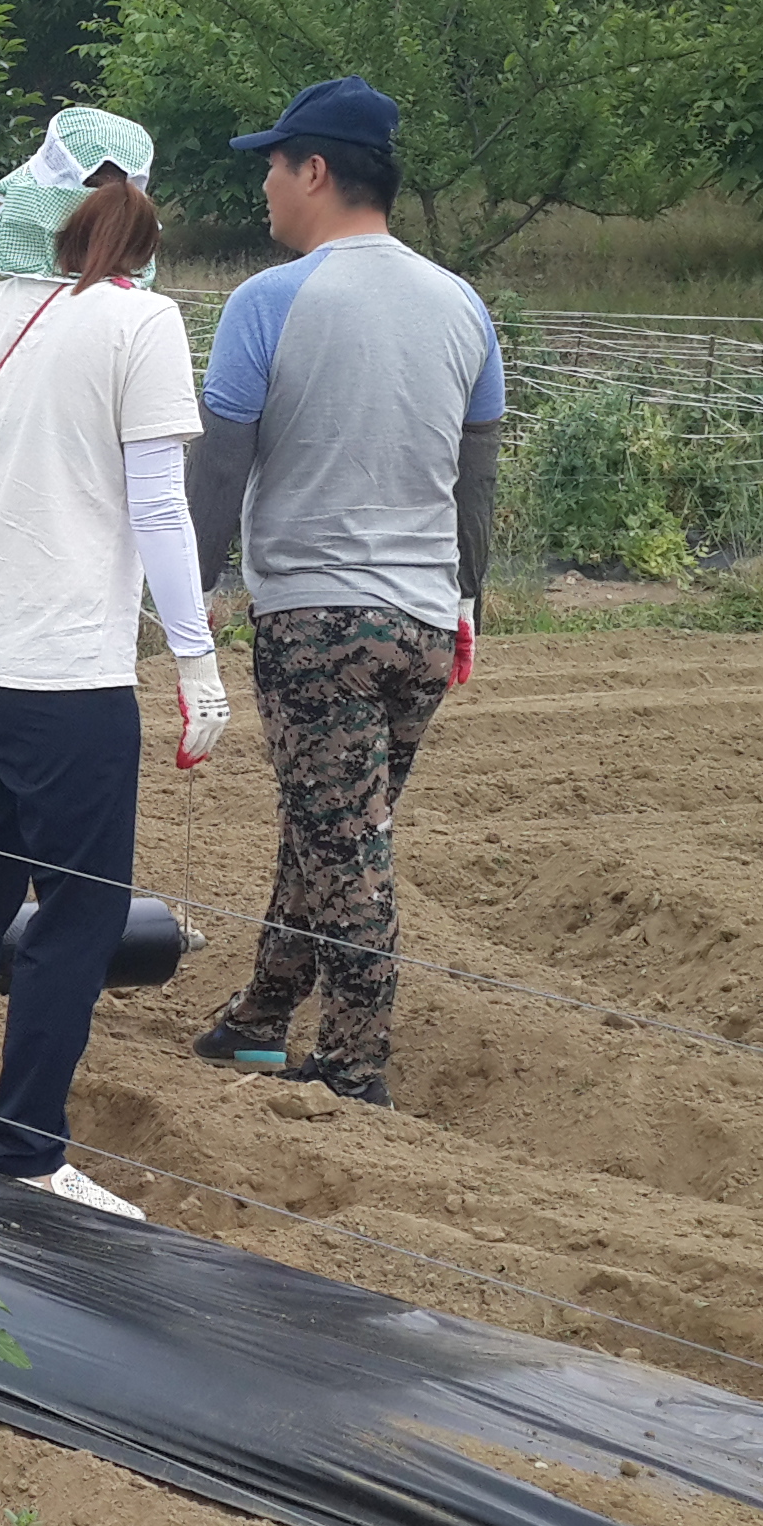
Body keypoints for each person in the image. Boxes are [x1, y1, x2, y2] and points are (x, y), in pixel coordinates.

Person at [0, 108, 228, 1221]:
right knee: (79, 915)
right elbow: (160, 509)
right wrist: (198, 661)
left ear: (34, 205)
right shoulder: (146, 325)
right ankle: (28, 1150)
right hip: (74, 675)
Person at [186, 78, 506, 1109]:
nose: (266, 189)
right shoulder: (463, 305)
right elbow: (479, 477)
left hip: (315, 618)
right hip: (421, 621)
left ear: (315, 171)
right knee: (330, 826)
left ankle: (356, 1065)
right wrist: (466, 607)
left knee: (345, 842)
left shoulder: (268, 302)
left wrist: (184, 601)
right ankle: (262, 1018)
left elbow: (220, 471)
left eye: (273, 167)